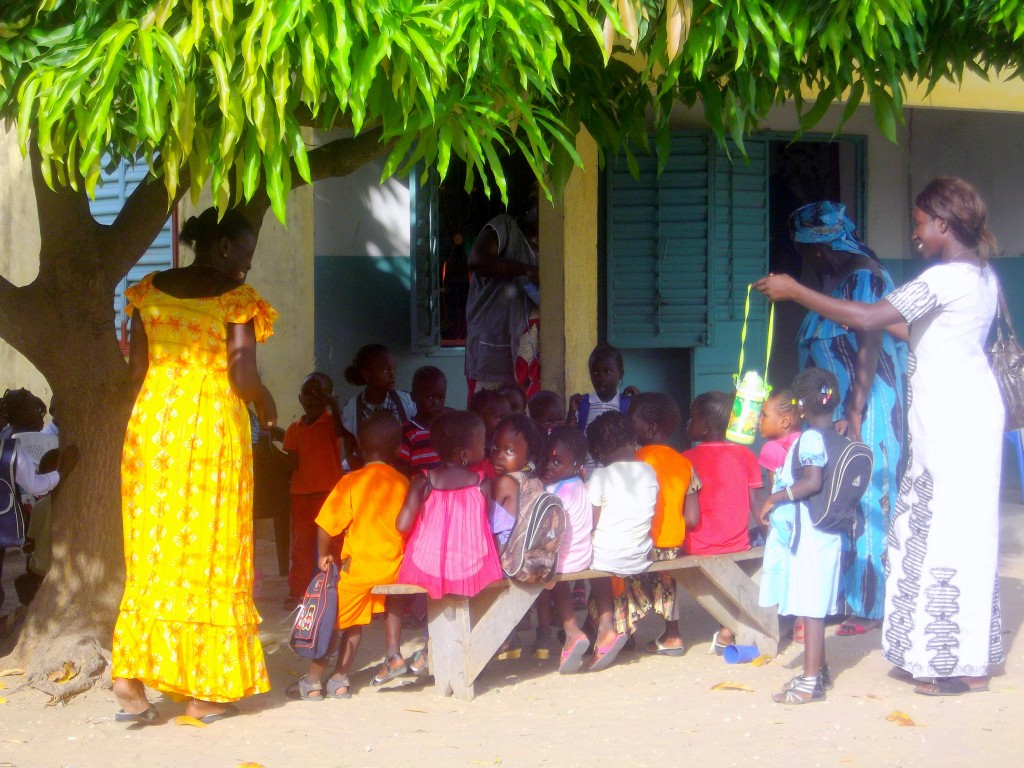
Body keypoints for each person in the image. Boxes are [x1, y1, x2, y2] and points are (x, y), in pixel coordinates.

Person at [755, 176, 1003, 697]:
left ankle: (953, 663)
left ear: (943, 224)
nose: (914, 233)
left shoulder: (945, 278)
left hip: (954, 423)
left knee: (945, 536)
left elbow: (869, 316)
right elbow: (910, 330)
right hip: (965, 417)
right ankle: (954, 657)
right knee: (951, 533)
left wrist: (796, 291)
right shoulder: (980, 276)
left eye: (919, 223)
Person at [112, 207, 278, 724]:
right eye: (245, 255)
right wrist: (266, 402)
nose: (247, 266)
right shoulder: (235, 299)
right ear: (224, 246)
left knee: (153, 552)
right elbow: (242, 376)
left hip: (153, 428)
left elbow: (137, 372)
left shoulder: (148, 292)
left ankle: (129, 680)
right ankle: (205, 692)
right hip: (210, 431)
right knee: (212, 551)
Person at [788, 201, 907, 637]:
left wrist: (855, 409)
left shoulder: (866, 278)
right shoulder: (834, 280)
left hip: (868, 407)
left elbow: (869, 344)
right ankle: (841, 596)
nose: (804, 259)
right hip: (836, 412)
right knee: (834, 498)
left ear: (820, 248)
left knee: (867, 494)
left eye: (804, 250)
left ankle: (870, 603)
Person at [290, 414, 410, 699]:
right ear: (397, 450)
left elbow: (326, 524)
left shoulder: (352, 481)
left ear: (358, 448)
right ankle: (342, 677)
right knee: (375, 610)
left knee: (338, 623)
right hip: (394, 567)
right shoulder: (403, 483)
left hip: (359, 570)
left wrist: (323, 555)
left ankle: (314, 683)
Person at [757, 369, 845, 704]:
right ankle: (818, 671)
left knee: (811, 605)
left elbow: (812, 482)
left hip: (811, 529)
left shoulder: (809, 438)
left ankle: (810, 683)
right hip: (829, 528)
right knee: (814, 602)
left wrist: (774, 497)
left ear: (802, 407)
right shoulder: (839, 433)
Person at [682, 391, 762, 652]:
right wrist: (769, 537)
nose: (688, 422)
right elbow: (757, 505)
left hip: (698, 545)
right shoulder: (746, 455)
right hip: (738, 543)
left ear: (706, 426)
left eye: (692, 417)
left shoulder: (686, 459)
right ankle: (727, 629)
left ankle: (725, 626)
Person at [627, 392, 701, 655]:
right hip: (670, 546)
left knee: (617, 575)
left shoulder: (632, 462)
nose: (628, 427)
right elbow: (693, 518)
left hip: (638, 545)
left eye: (631, 421)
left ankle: (624, 634)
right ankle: (673, 635)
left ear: (650, 428)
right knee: (667, 578)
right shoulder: (684, 464)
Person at [585, 411, 658, 672]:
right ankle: (602, 627)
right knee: (610, 555)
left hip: (608, 557)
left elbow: (591, 523)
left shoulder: (600, 477)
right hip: (640, 554)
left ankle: (606, 626)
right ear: (632, 440)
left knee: (593, 560)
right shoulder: (649, 472)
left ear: (597, 452)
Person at [465, 197, 541, 400]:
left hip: (528, 353)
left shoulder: (552, 245)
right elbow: (477, 260)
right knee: (488, 409)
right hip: (492, 344)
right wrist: (526, 270)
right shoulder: (505, 227)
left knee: (524, 414)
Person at [281, 372, 343, 607]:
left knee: (333, 543)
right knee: (301, 545)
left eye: (319, 393)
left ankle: (334, 587)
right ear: (300, 398)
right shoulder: (294, 429)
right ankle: (298, 589)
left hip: (330, 495)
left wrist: (333, 404)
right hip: (301, 496)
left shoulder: (332, 424)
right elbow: (292, 463)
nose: (312, 398)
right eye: (307, 393)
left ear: (328, 397)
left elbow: (341, 430)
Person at [489, 413, 546, 660]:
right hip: (536, 559)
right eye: (496, 448)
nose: (499, 456)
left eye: (509, 450)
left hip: (509, 562)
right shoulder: (536, 480)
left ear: (529, 454)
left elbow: (489, 527)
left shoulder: (503, 483)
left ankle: (506, 638)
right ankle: (532, 637)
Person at [538, 427, 593, 673]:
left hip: (566, 562)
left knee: (554, 580)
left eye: (557, 462)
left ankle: (571, 631)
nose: (549, 466)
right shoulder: (581, 485)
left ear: (577, 464)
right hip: (584, 556)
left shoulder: (553, 492)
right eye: (547, 459)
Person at [756, 388, 805, 643]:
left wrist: (766, 516)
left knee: (781, 565)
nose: (758, 421)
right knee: (802, 564)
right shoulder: (806, 440)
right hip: (806, 514)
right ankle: (803, 624)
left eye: (764, 415)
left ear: (784, 421)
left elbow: (774, 489)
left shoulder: (771, 449)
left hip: (784, 515)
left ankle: (784, 617)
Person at [340, 344, 416, 471]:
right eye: (386, 370)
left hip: (401, 472)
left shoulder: (404, 401)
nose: (392, 375)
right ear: (366, 373)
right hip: (369, 474)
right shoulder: (352, 409)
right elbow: (349, 450)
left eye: (393, 370)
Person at [397, 366, 447, 477]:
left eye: (441, 398)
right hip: (418, 486)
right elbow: (402, 466)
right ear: (414, 397)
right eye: (430, 398)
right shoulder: (407, 431)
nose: (437, 403)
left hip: (443, 486)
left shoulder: (447, 428)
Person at [466, 388, 512, 479]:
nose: (505, 423)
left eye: (508, 418)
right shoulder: (471, 450)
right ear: (479, 419)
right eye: (499, 418)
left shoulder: (508, 445)